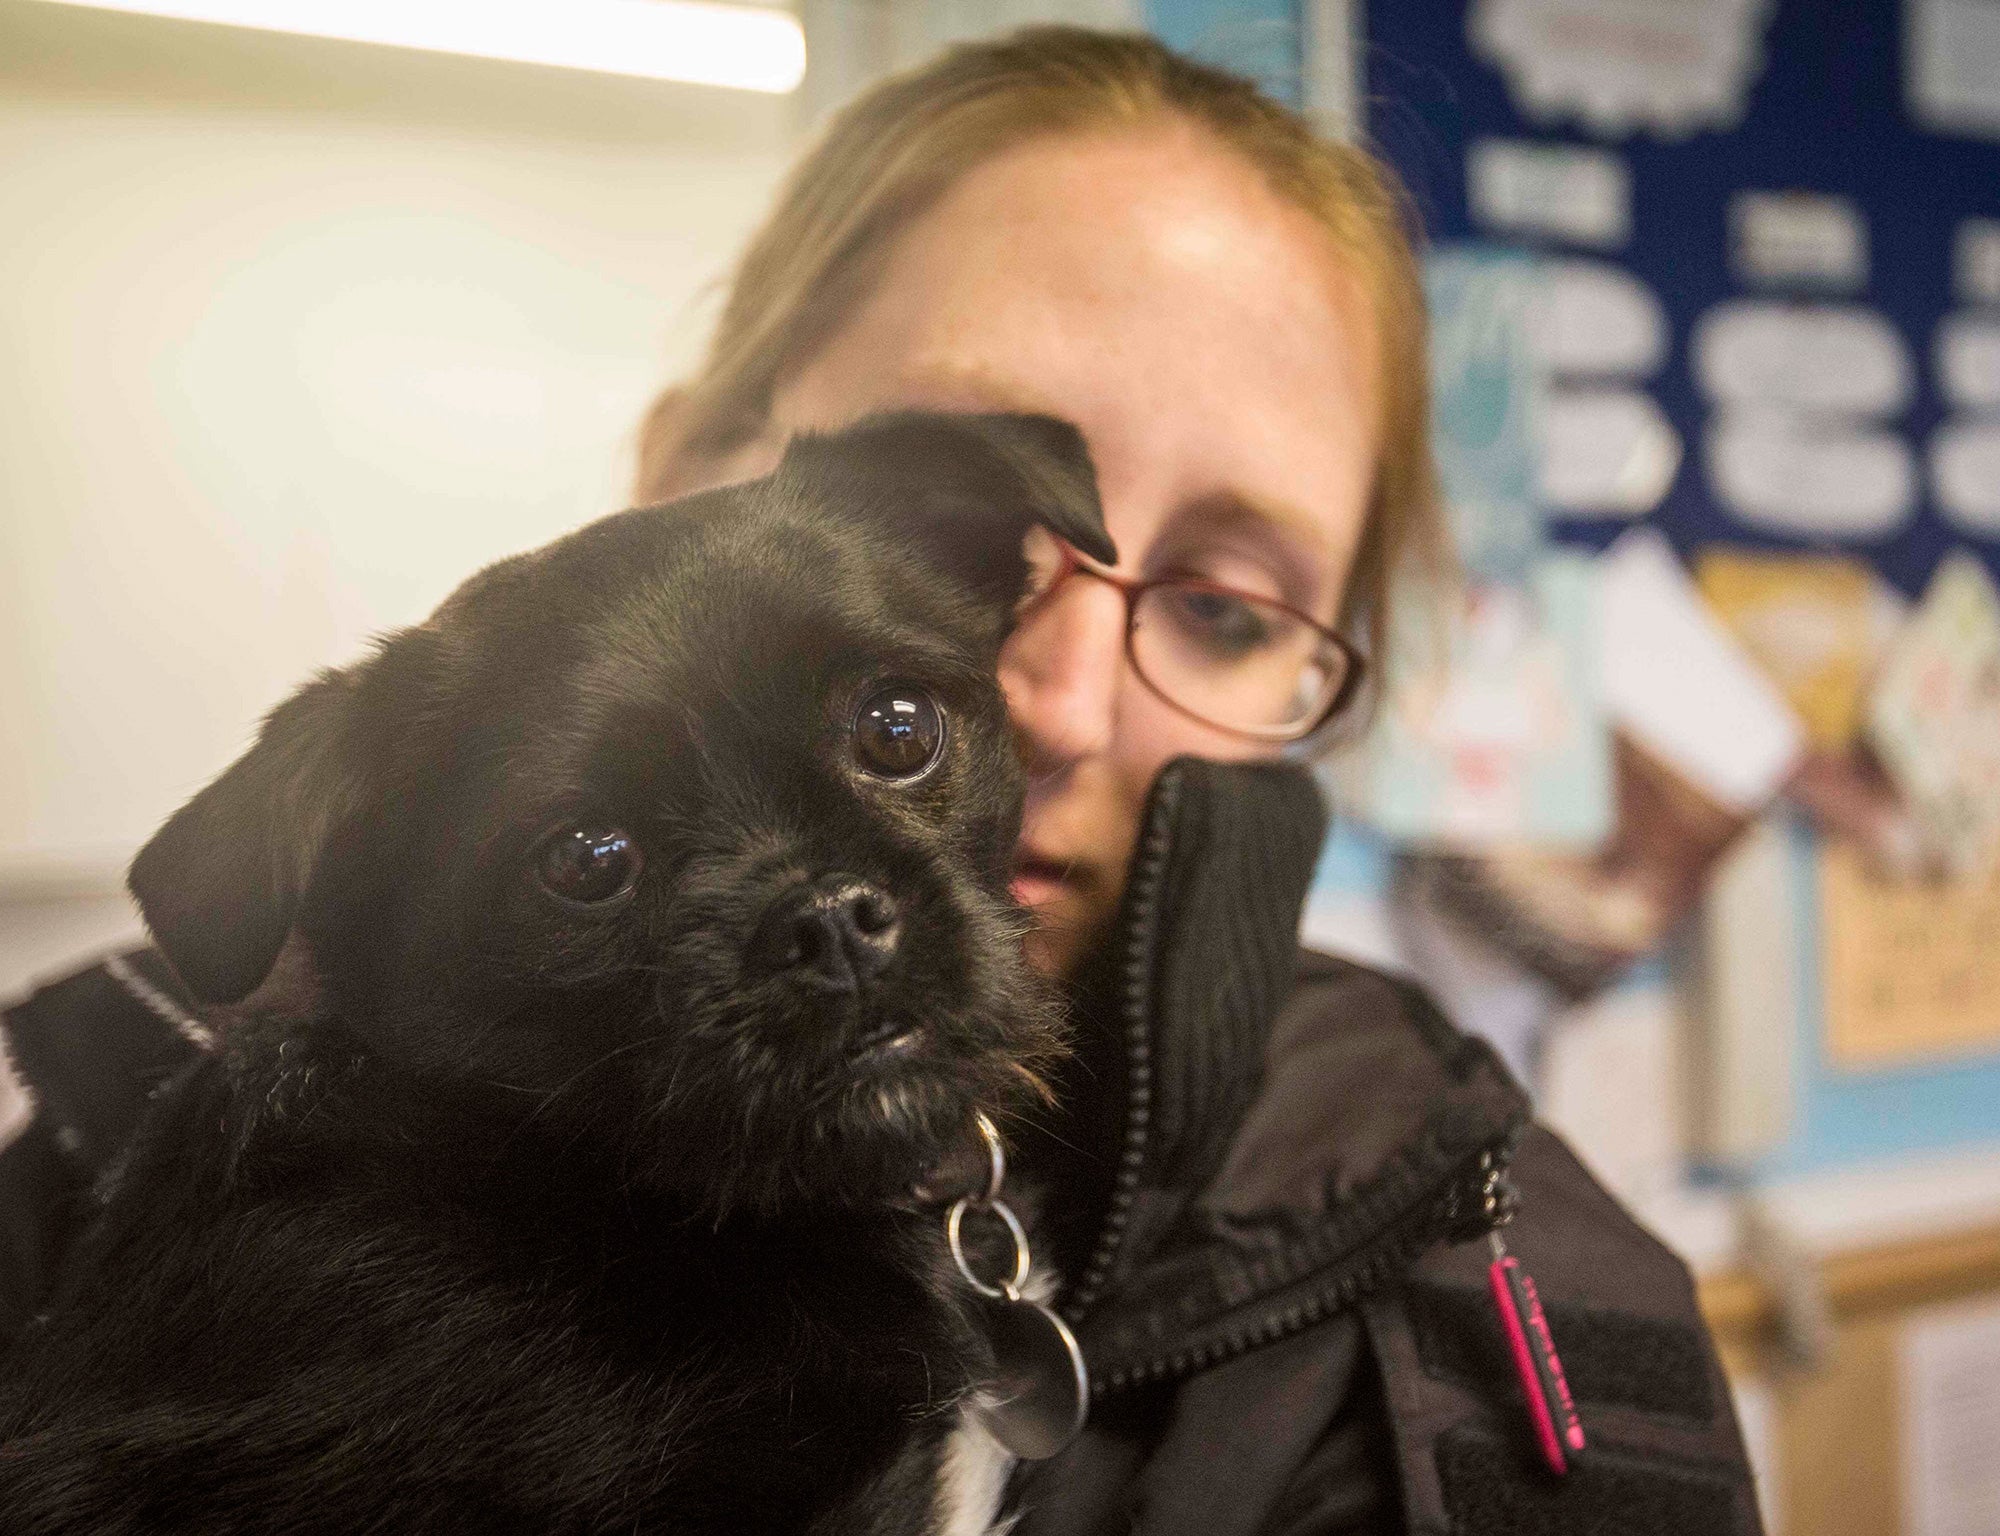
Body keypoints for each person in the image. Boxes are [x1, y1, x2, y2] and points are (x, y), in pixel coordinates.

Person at [1, 28, 1762, 1534]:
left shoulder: (1509, 1307)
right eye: (601, 854)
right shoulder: (115, 1158)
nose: (1059, 694)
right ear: (681, 470)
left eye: (1224, 610)